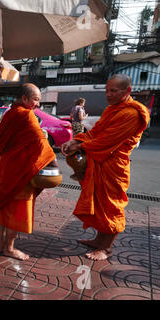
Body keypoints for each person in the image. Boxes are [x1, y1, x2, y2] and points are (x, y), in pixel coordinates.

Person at [61, 74, 150, 261]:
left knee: (111, 205)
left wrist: (80, 146)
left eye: (114, 91)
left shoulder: (132, 113)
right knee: (99, 202)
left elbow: (108, 139)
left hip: (114, 165)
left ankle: (106, 248)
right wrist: (75, 140)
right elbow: (95, 132)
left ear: (128, 91)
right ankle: (98, 240)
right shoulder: (113, 109)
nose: (108, 94)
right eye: (107, 90)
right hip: (101, 162)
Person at [0, 83, 56, 261]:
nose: (38, 104)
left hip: (6, 168)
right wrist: (53, 160)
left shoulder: (9, 114)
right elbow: (40, 141)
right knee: (16, 209)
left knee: (1, 207)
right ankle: (9, 248)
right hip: (20, 170)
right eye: (36, 100)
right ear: (25, 99)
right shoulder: (27, 115)